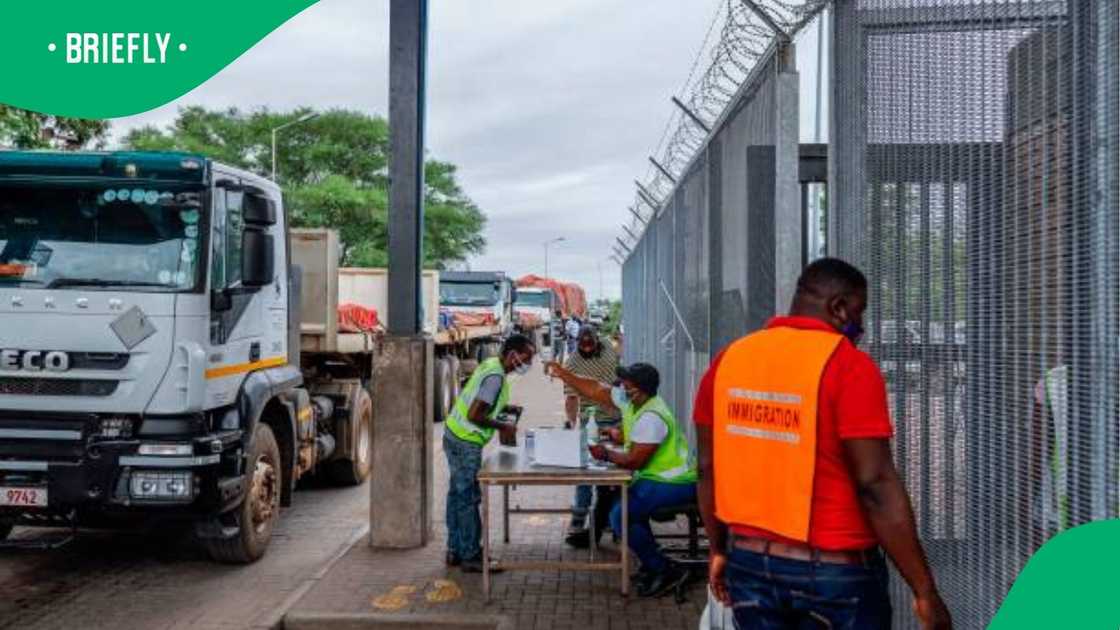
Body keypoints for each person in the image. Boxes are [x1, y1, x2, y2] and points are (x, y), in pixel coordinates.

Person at [694, 258, 952, 629]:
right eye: (859, 313)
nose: (860, 327)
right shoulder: (849, 366)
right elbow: (875, 484)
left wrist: (719, 548)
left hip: (749, 565)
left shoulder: (728, 362)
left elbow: (707, 469)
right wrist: (925, 591)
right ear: (838, 308)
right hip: (836, 576)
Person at [546, 360, 697, 597]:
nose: (621, 389)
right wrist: (565, 374)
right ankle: (652, 562)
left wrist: (606, 453)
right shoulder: (634, 403)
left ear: (641, 389)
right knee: (623, 509)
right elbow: (596, 388)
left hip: (674, 482)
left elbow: (636, 461)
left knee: (621, 516)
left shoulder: (652, 416)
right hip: (656, 478)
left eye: (627, 384)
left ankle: (664, 569)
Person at [444, 333, 536, 573]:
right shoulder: (495, 376)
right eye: (526, 358)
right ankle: (471, 555)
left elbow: (482, 403)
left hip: (453, 434)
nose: (528, 364)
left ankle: (456, 549)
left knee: (456, 496)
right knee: (467, 498)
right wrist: (503, 426)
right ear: (513, 354)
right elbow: (475, 414)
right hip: (466, 440)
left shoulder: (491, 365)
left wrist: (503, 411)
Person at [560, 326, 621, 548]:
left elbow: (620, 367)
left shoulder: (609, 349)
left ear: (597, 340)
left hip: (615, 420)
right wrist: (571, 422)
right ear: (576, 343)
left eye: (590, 344)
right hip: (590, 422)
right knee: (584, 472)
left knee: (614, 476)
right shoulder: (573, 363)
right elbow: (571, 397)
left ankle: (614, 522)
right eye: (582, 345)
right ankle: (579, 519)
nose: (586, 348)